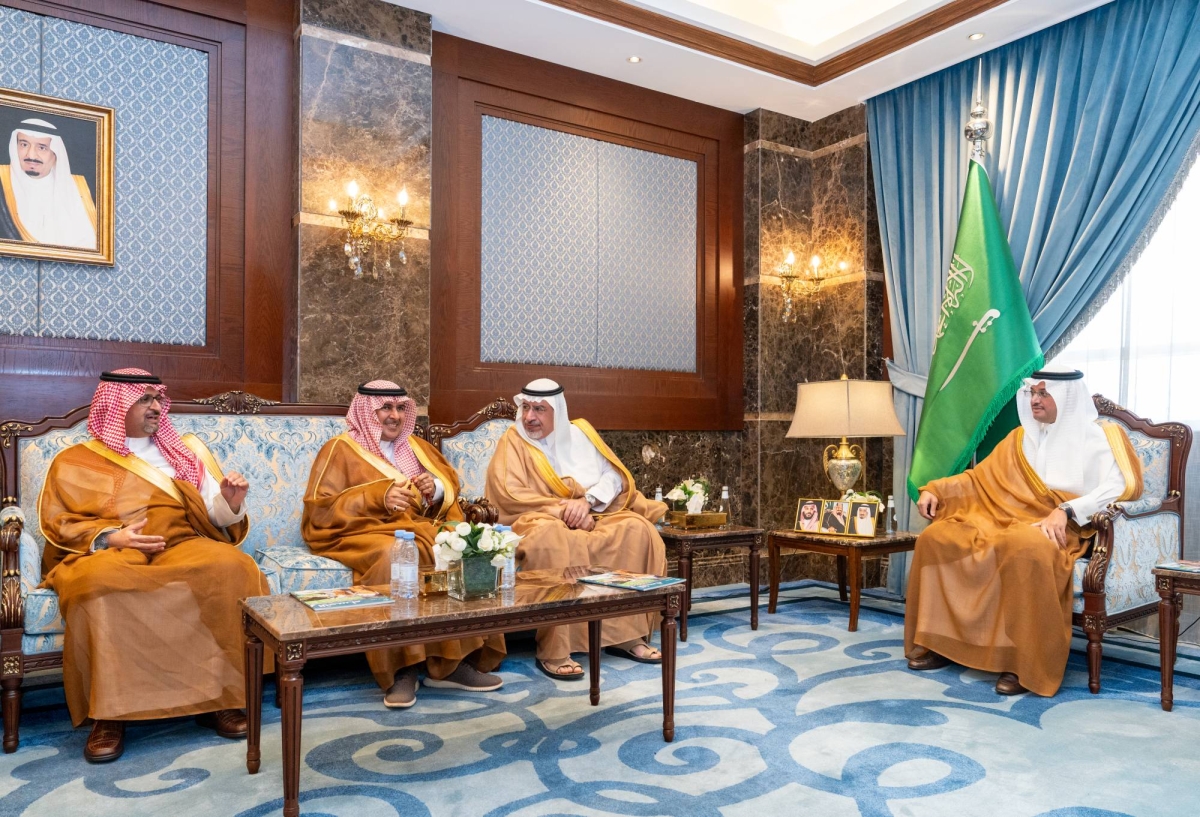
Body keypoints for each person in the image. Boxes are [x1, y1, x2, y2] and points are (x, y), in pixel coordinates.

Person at [38, 369, 269, 763]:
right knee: (96, 582)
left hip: (180, 543)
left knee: (232, 568)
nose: (157, 407)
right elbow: (59, 521)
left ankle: (221, 698)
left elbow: (212, 515)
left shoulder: (182, 452)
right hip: (114, 552)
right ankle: (110, 715)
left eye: (158, 398)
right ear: (116, 405)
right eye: (144, 399)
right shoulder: (76, 460)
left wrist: (231, 502)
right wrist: (111, 537)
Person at [905, 369, 1143, 696]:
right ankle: (941, 644)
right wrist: (937, 490)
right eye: (1032, 393)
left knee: (1023, 546)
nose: (1035, 400)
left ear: (1067, 397)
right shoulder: (1020, 438)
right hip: (1005, 518)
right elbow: (978, 479)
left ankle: (1021, 662)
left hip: (1066, 527)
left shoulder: (1101, 437)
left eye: (1044, 393)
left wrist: (1066, 510)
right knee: (938, 538)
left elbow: (1122, 487)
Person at [302, 381, 506, 708]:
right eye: (385, 408)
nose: (394, 416)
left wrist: (435, 490)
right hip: (361, 532)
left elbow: (449, 488)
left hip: (415, 527)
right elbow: (320, 508)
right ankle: (402, 669)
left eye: (400, 408)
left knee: (455, 546)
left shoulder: (417, 447)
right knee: (395, 556)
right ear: (367, 411)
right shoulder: (339, 449)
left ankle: (451, 663)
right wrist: (377, 497)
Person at [486, 379, 668, 680]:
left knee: (636, 529)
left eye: (539, 409)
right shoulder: (513, 441)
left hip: (592, 512)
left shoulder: (581, 433)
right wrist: (563, 511)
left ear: (557, 411)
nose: (529, 417)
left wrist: (587, 502)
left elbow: (614, 476)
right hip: (537, 517)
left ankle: (626, 635)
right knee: (551, 539)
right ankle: (555, 649)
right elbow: (508, 494)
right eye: (526, 407)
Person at [0, 118, 97, 248]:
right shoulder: (2, 180)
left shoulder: (81, 188)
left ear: (55, 153)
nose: (31, 155)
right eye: (24, 145)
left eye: (42, 147)